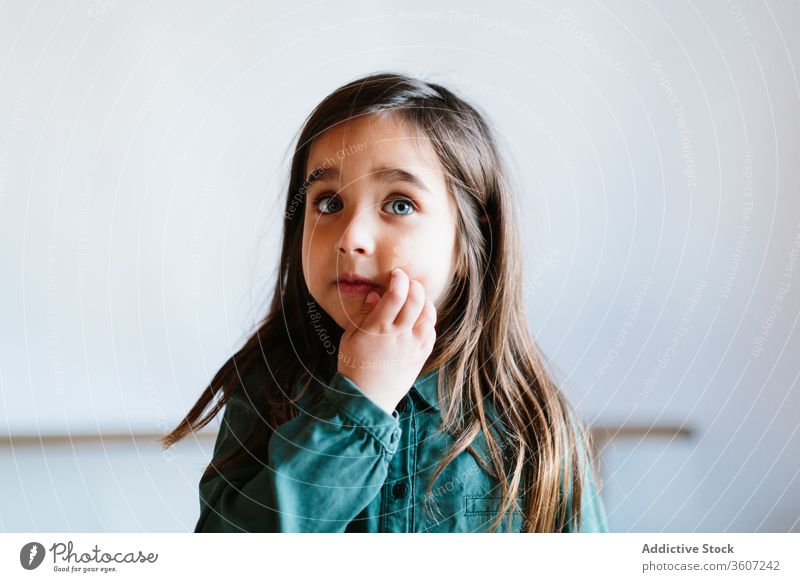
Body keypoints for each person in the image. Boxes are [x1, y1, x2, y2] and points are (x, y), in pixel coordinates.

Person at [161, 72, 609, 533]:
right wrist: (360, 402)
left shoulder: (536, 424)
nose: (351, 238)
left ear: (471, 241)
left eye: (399, 204)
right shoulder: (265, 387)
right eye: (329, 203)